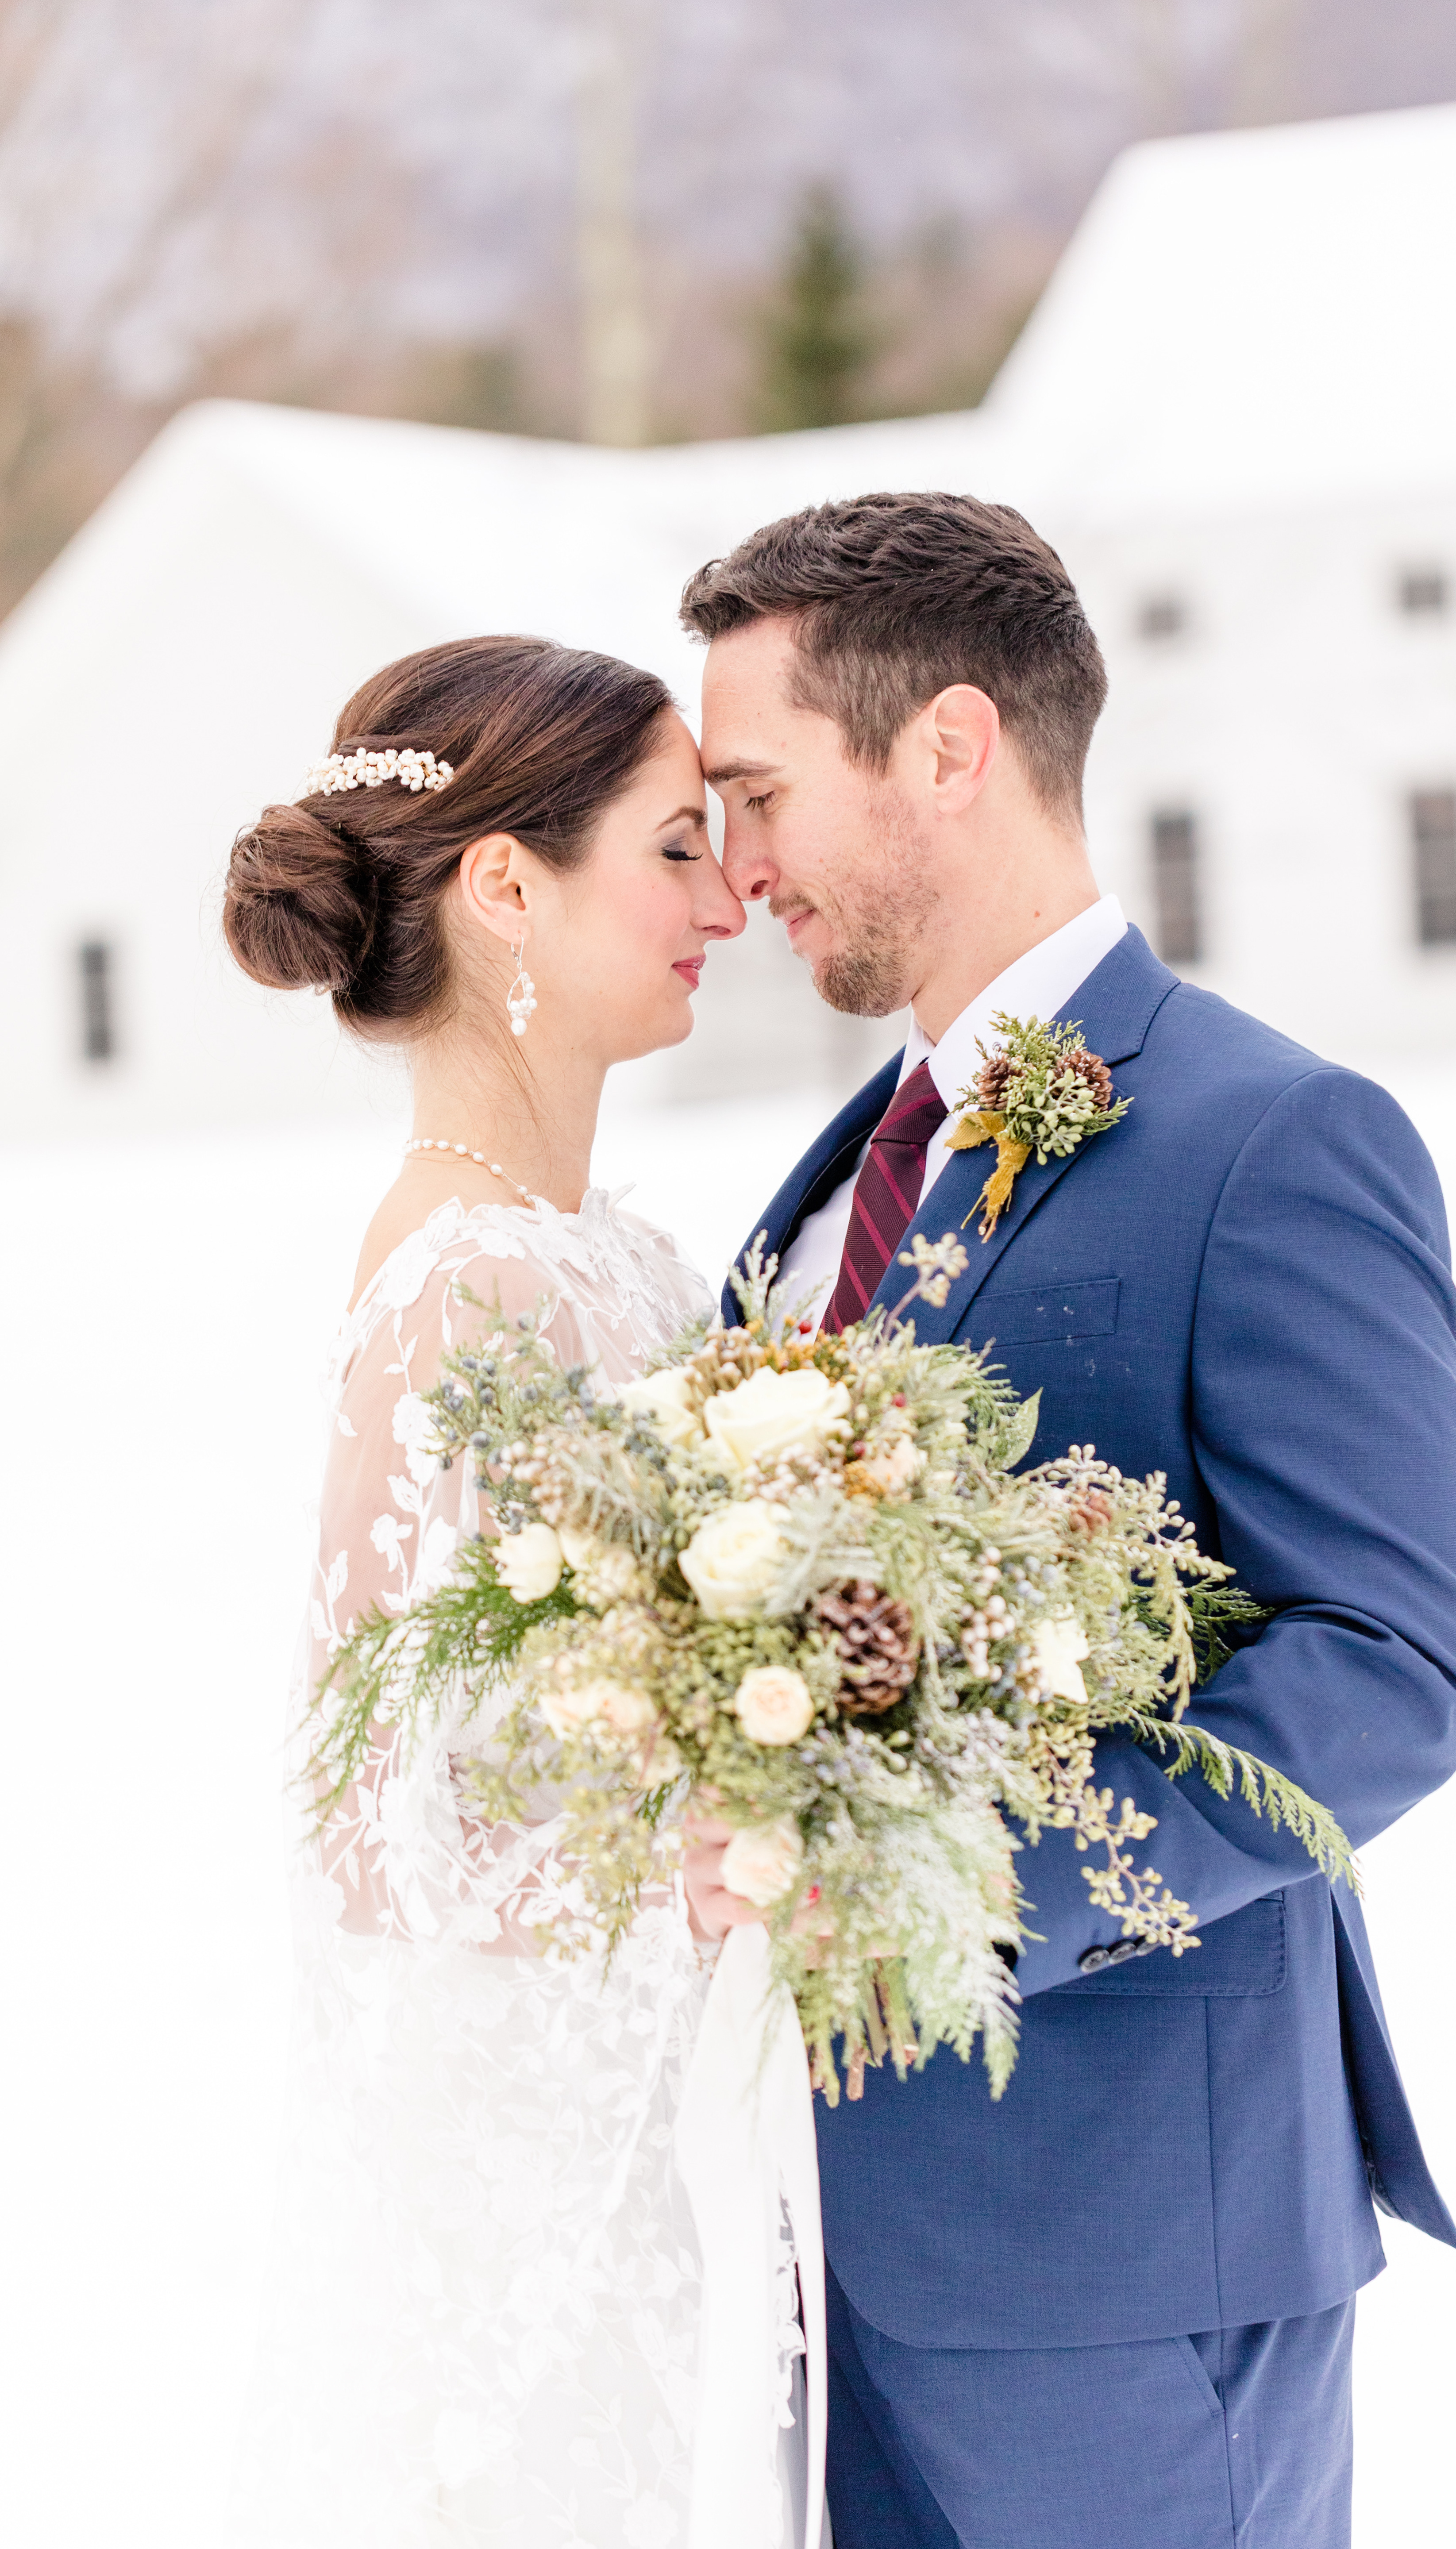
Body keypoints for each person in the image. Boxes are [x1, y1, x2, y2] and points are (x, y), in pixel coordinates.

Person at [681, 493, 1456, 2549]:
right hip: (828, 2243)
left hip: (1139, 2241)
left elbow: (1393, 1668)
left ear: (947, 749)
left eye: (760, 789)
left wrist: (957, 1901)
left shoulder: (1274, 1137)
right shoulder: (834, 1176)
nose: (740, 864)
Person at [221, 635, 770, 2546]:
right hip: (531, 2207)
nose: (733, 901)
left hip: (660, 2131)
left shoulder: (598, 1253)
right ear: (510, 885)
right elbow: (370, 1830)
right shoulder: (466, 1284)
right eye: (678, 849)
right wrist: (702, 1856)